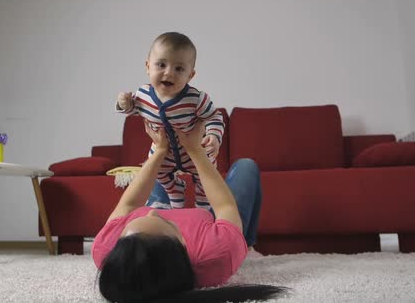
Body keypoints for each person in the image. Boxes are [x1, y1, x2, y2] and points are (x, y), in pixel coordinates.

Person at [92, 120, 288, 303]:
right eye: (166, 221)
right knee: (246, 166)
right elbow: (225, 207)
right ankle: (248, 245)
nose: (151, 212)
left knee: (156, 170)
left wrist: (160, 150)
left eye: (132, 222)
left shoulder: (107, 252)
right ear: (183, 246)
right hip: (212, 218)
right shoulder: (216, 253)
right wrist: (195, 150)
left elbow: (129, 205)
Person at [116, 31, 224, 210]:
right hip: (163, 153)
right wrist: (123, 102)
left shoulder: (196, 99)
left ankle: (203, 212)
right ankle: (176, 197)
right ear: (148, 66)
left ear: (190, 75)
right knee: (157, 171)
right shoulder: (143, 95)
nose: (169, 73)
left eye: (179, 69)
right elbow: (131, 108)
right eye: (161, 65)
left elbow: (214, 116)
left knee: (205, 181)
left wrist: (213, 135)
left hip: (193, 153)